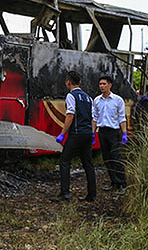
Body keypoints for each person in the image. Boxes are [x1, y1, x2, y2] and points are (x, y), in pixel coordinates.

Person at [53, 71, 96, 202]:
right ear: (80, 83)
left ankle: (65, 193)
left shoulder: (71, 96)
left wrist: (62, 133)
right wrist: (93, 133)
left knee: (65, 161)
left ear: (68, 82)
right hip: (88, 134)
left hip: (76, 134)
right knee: (88, 163)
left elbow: (70, 115)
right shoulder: (89, 98)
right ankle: (92, 195)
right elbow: (94, 118)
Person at [92, 75, 127, 195]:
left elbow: (122, 117)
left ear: (109, 85)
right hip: (102, 131)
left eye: (104, 84)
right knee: (107, 158)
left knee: (116, 158)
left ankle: (122, 183)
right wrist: (93, 133)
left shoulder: (117, 100)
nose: (101, 86)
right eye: (100, 84)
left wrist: (124, 133)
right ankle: (114, 182)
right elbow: (95, 117)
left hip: (114, 132)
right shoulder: (97, 100)